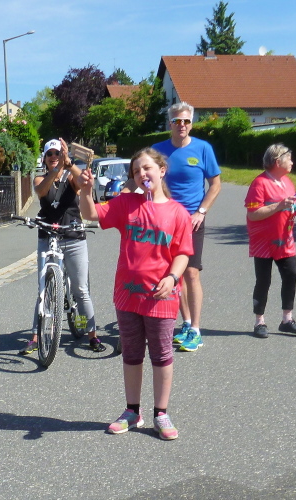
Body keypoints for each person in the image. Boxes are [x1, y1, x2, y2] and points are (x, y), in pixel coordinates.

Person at [79, 148, 193, 440]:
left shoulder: (178, 213)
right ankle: (132, 411)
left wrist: (172, 277)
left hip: (161, 297)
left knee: (162, 355)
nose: (142, 174)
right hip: (128, 295)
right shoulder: (126, 203)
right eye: (136, 171)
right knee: (131, 354)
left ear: (161, 170)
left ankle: (161, 413)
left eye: (147, 168)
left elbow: (183, 253)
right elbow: (91, 214)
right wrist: (86, 190)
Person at [19, 138, 104, 355]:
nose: (54, 157)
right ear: (45, 158)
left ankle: (92, 334)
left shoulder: (71, 177)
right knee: (43, 289)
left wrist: (69, 164)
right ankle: (35, 337)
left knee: (80, 289)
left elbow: (84, 182)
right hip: (48, 237)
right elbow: (41, 191)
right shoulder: (41, 178)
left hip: (73, 237)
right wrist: (55, 171)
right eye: (50, 154)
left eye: (57, 153)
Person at [152, 102, 221, 352]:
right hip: (165, 220)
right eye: (177, 121)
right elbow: (146, 180)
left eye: (186, 121)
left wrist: (201, 211)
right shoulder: (158, 151)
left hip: (192, 220)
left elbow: (215, 185)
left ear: (191, 123)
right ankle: (187, 322)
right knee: (175, 274)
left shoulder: (203, 149)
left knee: (191, 273)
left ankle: (196, 330)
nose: (182, 125)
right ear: (169, 123)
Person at [245, 144, 296, 338]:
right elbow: (253, 214)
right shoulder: (259, 183)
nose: (292, 162)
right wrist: (278, 206)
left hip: (285, 239)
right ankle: (259, 321)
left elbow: (290, 208)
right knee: (264, 280)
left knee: (291, 275)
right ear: (278, 161)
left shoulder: (288, 182)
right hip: (263, 241)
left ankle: (287, 319)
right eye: (289, 158)